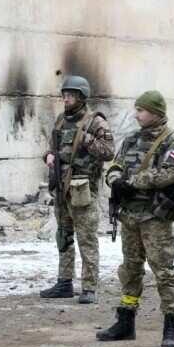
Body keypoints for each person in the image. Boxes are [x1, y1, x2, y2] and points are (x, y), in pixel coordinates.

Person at [96, 91, 174, 347]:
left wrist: (133, 182)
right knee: (130, 269)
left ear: (156, 113)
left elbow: (172, 173)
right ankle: (126, 319)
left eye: (142, 110)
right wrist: (115, 181)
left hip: (154, 217)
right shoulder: (130, 140)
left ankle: (171, 324)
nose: (137, 114)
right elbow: (115, 166)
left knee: (163, 271)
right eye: (137, 109)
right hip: (129, 215)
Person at [38, 75, 115, 305]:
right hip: (62, 188)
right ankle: (64, 282)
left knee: (86, 239)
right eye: (64, 95)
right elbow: (53, 147)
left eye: (71, 95)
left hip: (83, 190)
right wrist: (48, 156)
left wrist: (87, 139)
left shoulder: (95, 122)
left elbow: (109, 152)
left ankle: (89, 287)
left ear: (82, 97)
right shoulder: (61, 120)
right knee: (64, 236)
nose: (66, 98)